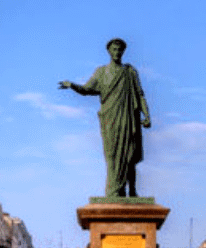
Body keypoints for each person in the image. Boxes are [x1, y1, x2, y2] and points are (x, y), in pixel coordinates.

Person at [60, 38, 151, 197]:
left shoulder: (130, 72)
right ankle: (115, 190)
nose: (117, 52)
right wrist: (72, 85)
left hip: (128, 118)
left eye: (119, 49)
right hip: (110, 119)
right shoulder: (101, 72)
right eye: (114, 49)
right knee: (113, 154)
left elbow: (140, 94)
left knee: (129, 154)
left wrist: (147, 115)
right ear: (109, 51)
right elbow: (87, 89)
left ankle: (132, 191)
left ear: (123, 52)